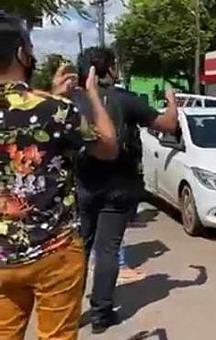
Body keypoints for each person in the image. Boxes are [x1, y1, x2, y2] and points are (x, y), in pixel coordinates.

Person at [0, 11, 118, 340]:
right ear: (23, 53)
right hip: (53, 250)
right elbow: (108, 147)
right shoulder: (53, 108)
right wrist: (91, 93)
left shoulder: (52, 105)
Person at [71, 47, 178, 334]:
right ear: (106, 69)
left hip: (83, 185)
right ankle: (101, 313)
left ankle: (69, 312)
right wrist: (172, 102)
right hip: (119, 186)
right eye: (115, 64)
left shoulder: (69, 100)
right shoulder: (126, 100)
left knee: (80, 247)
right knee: (107, 249)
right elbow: (168, 125)